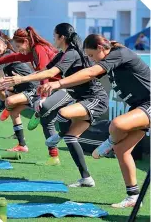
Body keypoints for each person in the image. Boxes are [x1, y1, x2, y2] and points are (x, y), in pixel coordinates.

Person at [37, 33, 150, 207]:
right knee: (121, 150)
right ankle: (133, 196)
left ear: (100, 48)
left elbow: (90, 72)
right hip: (139, 106)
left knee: (118, 124)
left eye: (91, 55)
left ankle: (109, 142)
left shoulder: (120, 53)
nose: (92, 60)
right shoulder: (110, 58)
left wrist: (58, 84)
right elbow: (84, 77)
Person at [0, 23, 109, 187]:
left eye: (54, 35)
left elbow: (50, 74)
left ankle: (60, 135)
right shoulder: (63, 54)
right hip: (79, 97)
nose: (53, 38)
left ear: (61, 37)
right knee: (71, 137)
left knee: (62, 113)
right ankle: (86, 178)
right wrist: (20, 79)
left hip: (95, 99)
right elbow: (44, 71)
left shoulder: (71, 53)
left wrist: (21, 79)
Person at [0, 26, 68, 157]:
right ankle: (22, 145)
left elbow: (44, 73)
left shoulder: (39, 49)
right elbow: (15, 57)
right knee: (14, 110)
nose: (19, 50)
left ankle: (53, 154)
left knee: (45, 116)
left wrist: (43, 97)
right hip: (46, 87)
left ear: (25, 42)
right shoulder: (32, 51)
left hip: (54, 88)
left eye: (19, 47)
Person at [0, 29, 40, 151]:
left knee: (7, 97)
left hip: (33, 89)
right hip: (21, 89)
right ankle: (22, 145)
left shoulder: (7, 56)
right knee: (13, 112)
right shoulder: (3, 57)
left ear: (6, 46)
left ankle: (39, 111)